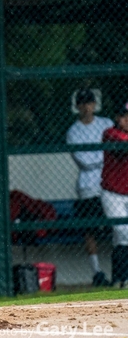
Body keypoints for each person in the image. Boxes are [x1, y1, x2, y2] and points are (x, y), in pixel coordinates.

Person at [66, 87, 113, 287]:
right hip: (87, 186)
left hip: (109, 183)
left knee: (117, 226)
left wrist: (102, 157)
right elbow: (84, 161)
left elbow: (112, 152)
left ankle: (119, 269)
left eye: (90, 103)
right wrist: (102, 156)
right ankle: (97, 272)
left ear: (95, 104)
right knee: (90, 230)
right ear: (77, 106)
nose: (87, 107)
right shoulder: (73, 131)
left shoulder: (106, 124)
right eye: (83, 103)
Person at [100, 101, 128, 288]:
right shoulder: (110, 133)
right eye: (125, 117)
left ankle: (118, 279)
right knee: (123, 232)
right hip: (113, 194)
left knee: (120, 239)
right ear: (118, 118)